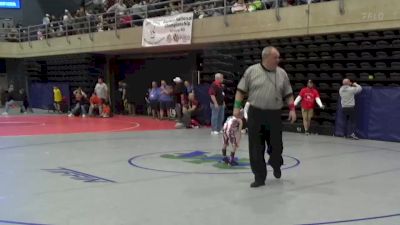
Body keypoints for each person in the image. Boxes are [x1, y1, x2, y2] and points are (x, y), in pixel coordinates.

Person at [233, 46, 296, 188]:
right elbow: (240, 91)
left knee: (277, 146)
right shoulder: (251, 71)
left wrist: (292, 109)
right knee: (256, 147)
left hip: (274, 115)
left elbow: (288, 93)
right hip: (256, 114)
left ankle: (275, 163)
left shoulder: (282, 73)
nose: (278, 60)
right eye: (276, 57)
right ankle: (259, 177)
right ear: (266, 57)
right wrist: (237, 107)